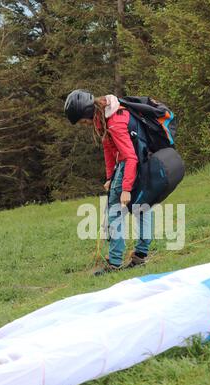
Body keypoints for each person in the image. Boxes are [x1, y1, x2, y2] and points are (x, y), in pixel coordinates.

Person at [64, 89, 153, 275]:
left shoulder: (115, 122)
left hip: (132, 164)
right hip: (140, 162)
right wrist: (109, 177)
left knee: (115, 212)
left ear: (87, 111)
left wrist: (126, 188)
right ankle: (140, 256)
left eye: (82, 120)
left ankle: (114, 263)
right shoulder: (104, 115)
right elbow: (108, 148)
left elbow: (129, 157)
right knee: (142, 206)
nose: (84, 124)